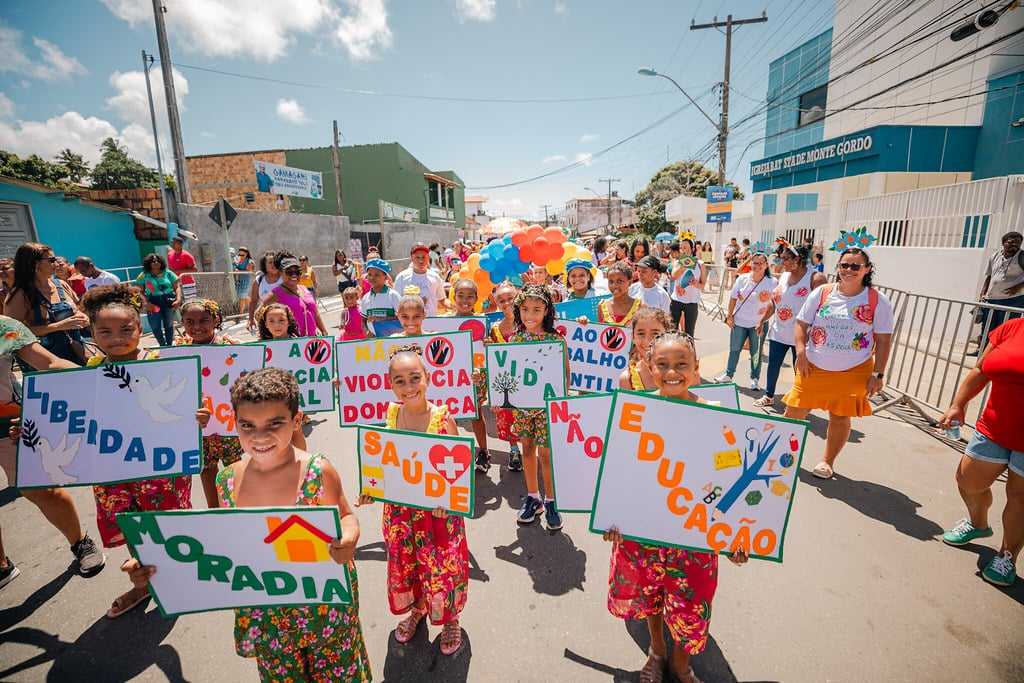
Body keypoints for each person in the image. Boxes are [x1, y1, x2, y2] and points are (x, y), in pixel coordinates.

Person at [126, 367, 370, 679]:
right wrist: (155, 563)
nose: (259, 436)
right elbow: (220, 541)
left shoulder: (317, 472)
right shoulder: (226, 480)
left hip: (326, 607)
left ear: (296, 421)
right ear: (235, 424)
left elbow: (346, 515)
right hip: (266, 615)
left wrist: (348, 539)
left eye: (275, 423)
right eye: (247, 426)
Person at [604, 331, 748, 683]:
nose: (672, 372)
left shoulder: (717, 417)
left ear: (696, 369)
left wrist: (737, 535)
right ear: (650, 369)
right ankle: (657, 650)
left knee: (691, 604)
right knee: (650, 596)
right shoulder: (634, 413)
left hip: (695, 535)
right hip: (644, 532)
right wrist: (611, 516)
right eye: (663, 364)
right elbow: (618, 469)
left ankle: (682, 664)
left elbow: (730, 477)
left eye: (682, 364)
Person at [78, 284, 209, 618]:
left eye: (126, 329)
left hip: (163, 471)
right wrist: (34, 430)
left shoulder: (163, 362)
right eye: (105, 331)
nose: (116, 337)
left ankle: (177, 576)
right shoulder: (88, 373)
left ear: (141, 329)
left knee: (167, 524)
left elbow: (192, 403)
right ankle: (143, 585)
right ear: (92, 332)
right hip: (115, 471)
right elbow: (71, 418)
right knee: (133, 526)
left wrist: (199, 414)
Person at [358, 345, 469, 656]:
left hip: (437, 515)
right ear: (390, 383)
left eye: (414, 378)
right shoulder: (391, 414)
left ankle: (449, 618)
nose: (408, 387)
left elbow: (459, 469)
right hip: (401, 514)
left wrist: (447, 499)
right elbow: (384, 461)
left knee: (442, 569)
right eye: (400, 380)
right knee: (408, 565)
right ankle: (418, 608)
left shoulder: (443, 418)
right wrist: (371, 488)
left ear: (427, 378)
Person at [0, 315, 106, 588]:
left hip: (11, 425)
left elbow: (49, 363)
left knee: (41, 490)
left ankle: (80, 542)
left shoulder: (4, 327)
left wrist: (105, 381)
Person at [783, 248, 894, 479]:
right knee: (794, 410)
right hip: (812, 366)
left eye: (855, 266)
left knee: (840, 416)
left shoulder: (877, 301)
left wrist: (879, 374)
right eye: (844, 265)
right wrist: (801, 352)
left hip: (853, 371)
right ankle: (782, 455)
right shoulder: (822, 293)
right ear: (838, 268)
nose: (849, 270)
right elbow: (801, 324)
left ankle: (827, 461)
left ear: (867, 269)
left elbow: (883, 340)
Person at [938, 316, 1023, 586]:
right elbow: (981, 369)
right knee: (967, 480)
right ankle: (978, 524)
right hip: (994, 427)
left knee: (1019, 497)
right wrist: (958, 404)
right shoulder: (1012, 327)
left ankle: (1007, 555)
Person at [510, 285, 568, 531]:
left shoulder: (556, 340)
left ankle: (552, 500)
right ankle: (533, 497)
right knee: (527, 450)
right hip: (522, 407)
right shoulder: (515, 339)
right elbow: (507, 372)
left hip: (546, 408)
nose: (530, 314)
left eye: (536, 309)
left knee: (546, 455)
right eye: (524, 309)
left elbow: (565, 373)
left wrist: (561, 404)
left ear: (547, 310)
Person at [175, 299, 242, 508]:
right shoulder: (177, 349)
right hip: (198, 424)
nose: (196, 327)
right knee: (206, 468)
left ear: (216, 320)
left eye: (204, 320)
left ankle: (240, 507)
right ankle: (214, 510)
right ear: (182, 323)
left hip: (227, 422)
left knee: (236, 466)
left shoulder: (231, 346)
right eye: (189, 321)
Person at [753, 243, 827, 409]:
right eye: (782, 257)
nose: (782, 261)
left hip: (802, 336)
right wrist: (762, 320)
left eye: (786, 258)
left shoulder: (815, 279)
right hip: (779, 332)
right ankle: (769, 395)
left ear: (798, 260)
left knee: (800, 370)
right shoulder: (784, 276)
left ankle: (802, 400)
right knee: (773, 365)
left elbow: (823, 309)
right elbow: (774, 302)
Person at [5, 242, 89, 364]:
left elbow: (78, 309)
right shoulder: (20, 295)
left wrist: (83, 317)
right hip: (47, 363)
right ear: (35, 263)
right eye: (51, 259)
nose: (57, 263)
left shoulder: (62, 285)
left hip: (79, 354)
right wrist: (58, 326)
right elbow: (11, 334)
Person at [444, 279, 490, 471]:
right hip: (450, 379)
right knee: (448, 417)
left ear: (476, 299)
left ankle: (484, 452)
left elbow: (488, 352)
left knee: (476, 413)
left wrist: (488, 344)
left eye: (470, 296)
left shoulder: (483, 322)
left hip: (475, 377)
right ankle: (454, 454)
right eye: (460, 295)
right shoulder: (443, 322)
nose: (465, 300)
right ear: (453, 297)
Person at [716, 252, 777, 390]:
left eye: (761, 263)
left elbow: (774, 304)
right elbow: (733, 298)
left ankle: (754, 378)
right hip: (739, 322)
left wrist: (764, 320)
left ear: (766, 265)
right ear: (751, 263)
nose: (757, 266)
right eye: (755, 263)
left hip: (758, 324)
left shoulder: (772, 282)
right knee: (734, 349)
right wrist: (729, 316)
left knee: (756, 352)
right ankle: (728, 374)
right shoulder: (742, 279)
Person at [254, 302, 310, 451]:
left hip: (294, 400)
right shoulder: (259, 348)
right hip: (271, 402)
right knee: (276, 437)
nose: (276, 325)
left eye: (281, 320)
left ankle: (302, 467)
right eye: (271, 321)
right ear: (265, 324)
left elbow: (314, 372)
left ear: (288, 322)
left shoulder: (300, 345)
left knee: (296, 432)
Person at [489, 281, 523, 471]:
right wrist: (493, 396)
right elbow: (492, 364)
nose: (507, 302)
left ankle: (530, 451)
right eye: (501, 300)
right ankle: (513, 450)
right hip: (506, 386)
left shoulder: (530, 322)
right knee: (508, 417)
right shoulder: (494, 329)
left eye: (511, 298)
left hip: (528, 382)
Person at [259, 252, 328, 337]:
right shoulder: (276, 293)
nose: (294, 274)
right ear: (281, 273)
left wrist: (324, 331)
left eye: (297, 271)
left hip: (311, 341)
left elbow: (315, 313)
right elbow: (258, 314)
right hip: (293, 344)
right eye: (289, 271)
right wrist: (277, 332)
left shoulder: (304, 288)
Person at [977, 231, 1024, 339]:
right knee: (987, 327)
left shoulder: (1022, 256)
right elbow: (989, 276)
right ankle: (982, 350)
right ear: (1004, 243)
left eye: (1018, 243)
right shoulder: (995, 256)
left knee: (1004, 329)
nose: (1015, 245)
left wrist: (1018, 287)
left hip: (1013, 300)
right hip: (992, 298)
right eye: (1011, 242)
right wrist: (982, 293)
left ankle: (997, 353)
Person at [618, 306, 671, 391]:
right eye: (641, 333)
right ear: (633, 337)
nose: (647, 341)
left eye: (655, 333)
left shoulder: (684, 372)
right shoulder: (627, 379)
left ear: (667, 335)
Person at [134, 253, 181, 347]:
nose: (156, 262)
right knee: (155, 327)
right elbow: (139, 291)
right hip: (153, 302)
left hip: (168, 301)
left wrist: (178, 299)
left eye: (158, 260)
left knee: (169, 325)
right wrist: (147, 304)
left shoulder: (168, 273)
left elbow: (177, 287)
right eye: (153, 261)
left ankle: (169, 345)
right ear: (148, 263)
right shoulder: (143, 275)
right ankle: (162, 345)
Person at [393, 243, 446, 316]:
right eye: (417, 257)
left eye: (423, 257)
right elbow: (396, 303)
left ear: (428, 257)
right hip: (410, 323)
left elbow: (442, 300)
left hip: (432, 322)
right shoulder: (401, 277)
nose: (421, 261)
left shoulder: (435, 277)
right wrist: (417, 304)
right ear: (411, 258)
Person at [669, 239, 706, 337]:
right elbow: (673, 276)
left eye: (685, 247)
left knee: (689, 334)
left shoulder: (700, 264)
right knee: (672, 332)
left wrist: (695, 284)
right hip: (676, 301)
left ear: (692, 248)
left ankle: (690, 352)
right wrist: (685, 264)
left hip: (692, 303)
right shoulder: (677, 262)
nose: (683, 250)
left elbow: (703, 286)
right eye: (681, 248)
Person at [360, 259, 401, 337]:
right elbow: (363, 320)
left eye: (377, 275)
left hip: (392, 340)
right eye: (369, 274)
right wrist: (366, 332)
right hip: (373, 342)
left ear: (385, 277)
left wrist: (381, 319)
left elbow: (403, 317)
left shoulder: (393, 295)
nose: (372, 278)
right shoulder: (365, 298)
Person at [247, 251, 282, 331]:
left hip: (285, 320)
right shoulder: (258, 280)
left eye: (275, 262)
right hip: (266, 322)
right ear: (264, 265)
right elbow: (253, 301)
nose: (273, 264)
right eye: (270, 262)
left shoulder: (285, 278)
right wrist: (251, 319)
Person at [231, 246, 254, 314]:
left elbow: (249, 270)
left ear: (247, 254)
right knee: (243, 296)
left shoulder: (249, 261)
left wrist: (239, 270)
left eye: (242, 255)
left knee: (242, 297)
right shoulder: (237, 259)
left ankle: (241, 313)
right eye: (239, 254)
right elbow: (234, 266)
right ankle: (253, 307)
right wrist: (235, 268)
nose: (241, 256)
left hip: (245, 280)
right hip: (238, 280)